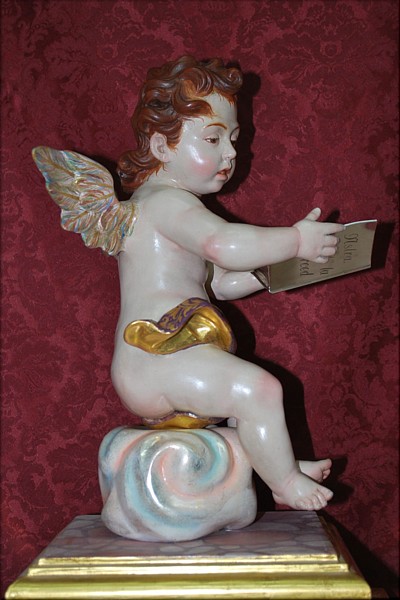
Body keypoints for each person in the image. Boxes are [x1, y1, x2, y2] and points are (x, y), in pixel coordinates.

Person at [33, 56, 344, 511]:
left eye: (233, 139)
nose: (231, 154)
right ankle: (284, 484)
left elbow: (221, 282)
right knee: (257, 390)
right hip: (156, 356)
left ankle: (277, 462)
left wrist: (270, 272)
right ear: (162, 146)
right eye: (213, 139)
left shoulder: (169, 208)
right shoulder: (164, 203)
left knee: (243, 393)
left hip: (170, 352)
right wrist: (296, 240)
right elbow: (222, 245)